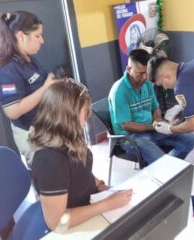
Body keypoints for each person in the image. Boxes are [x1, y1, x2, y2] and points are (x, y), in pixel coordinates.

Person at [29, 79, 132, 232]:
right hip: (73, 222)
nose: (86, 119)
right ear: (68, 117)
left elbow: (82, 170)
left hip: (88, 204)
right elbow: (57, 223)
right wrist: (107, 204)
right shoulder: (50, 161)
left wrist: (102, 186)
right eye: (85, 113)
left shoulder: (70, 136)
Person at [0, 11, 57, 167]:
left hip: (46, 125)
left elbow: (38, 83)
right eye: (38, 35)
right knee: (48, 175)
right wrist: (46, 87)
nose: (42, 40)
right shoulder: (5, 69)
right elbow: (13, 111)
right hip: (31, 133)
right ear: (21, 36)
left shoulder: (27, 58)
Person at [108, 49, 194, 166]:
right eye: (140, 73)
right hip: (129, 137)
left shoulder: (147, 84)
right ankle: (163, 171)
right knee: (159, 160)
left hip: (151, 130)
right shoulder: (119, 91)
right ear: (129, 69)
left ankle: (169, 168)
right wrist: (154, 127)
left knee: (189, 139)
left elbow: (155, 108)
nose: (144, 77)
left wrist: (159, 121)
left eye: (147, 72)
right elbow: (126, 125)